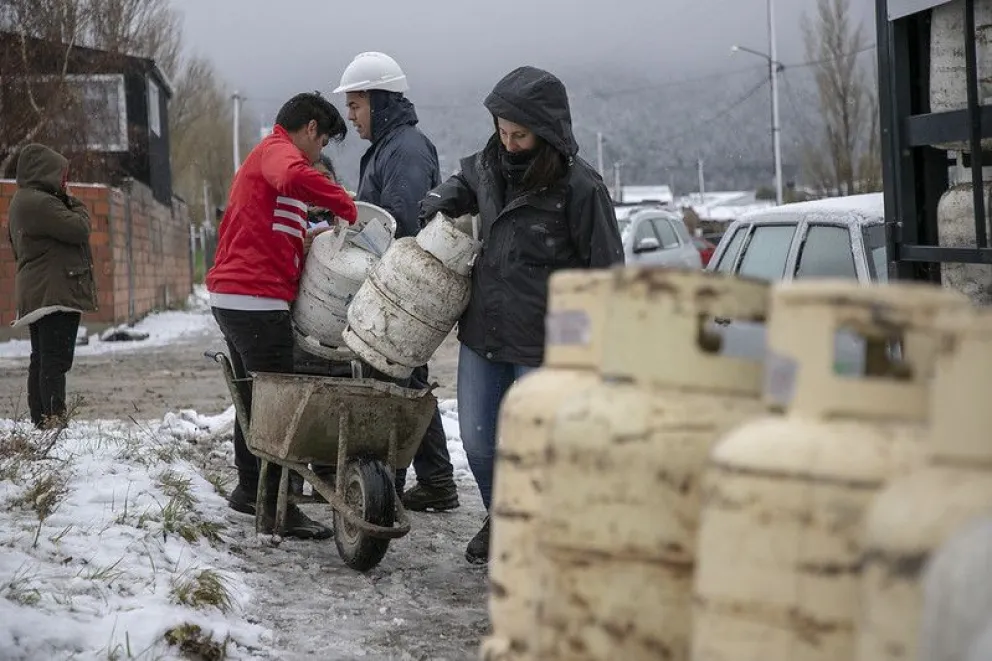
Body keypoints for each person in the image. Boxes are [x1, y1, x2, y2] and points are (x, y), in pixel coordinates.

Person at [418, 66, 625, 564]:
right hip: (485, 332)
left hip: (547, 343)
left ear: (547, 134)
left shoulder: (581, 188)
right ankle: (503, 519)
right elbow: (464, 179)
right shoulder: (488, 165)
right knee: (479, 443)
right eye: (501, 130)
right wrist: (441, 199)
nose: (507, 143)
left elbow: (610, 276)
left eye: (519, 135)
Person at [206, 92, 358, 539]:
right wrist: (344, 204)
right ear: (311, 128)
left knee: (255, 399)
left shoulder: (269, 159)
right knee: (278, 408)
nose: (320, 154)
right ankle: (277, 508)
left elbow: (274, 225)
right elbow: (293, 177)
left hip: (239, 297)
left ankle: (251, 491)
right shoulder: (278, 153)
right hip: (254, 300)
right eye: (324, 142)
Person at [333, 51, 459, 513]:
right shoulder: (388, 147)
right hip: (394, 287)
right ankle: (432, 481)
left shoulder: (404, 149)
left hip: (402, 290)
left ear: (380, 102)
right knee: (404, 381)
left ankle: (410, 480)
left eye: (356, 105)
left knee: (398, 383)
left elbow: (399, 224)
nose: (351, 116)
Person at [7, 144, 97, 429]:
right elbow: (79, 228)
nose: (64, 182)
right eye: (61, 175)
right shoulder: (42, 203)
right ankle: (53, 421)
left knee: (42, 358)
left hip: (41, 291)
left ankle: (41, 420)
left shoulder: (22, 201)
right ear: (44, 172)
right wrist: (77, 203)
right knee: (55, 360)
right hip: (54, 292)